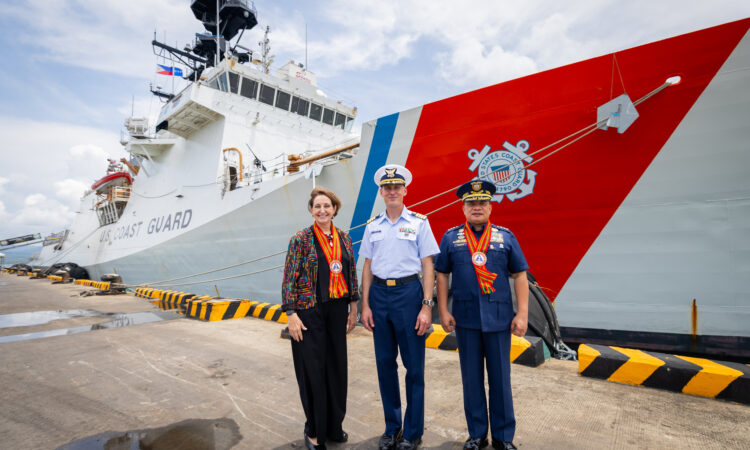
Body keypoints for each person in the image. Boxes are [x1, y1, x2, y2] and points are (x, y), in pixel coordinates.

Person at [434, 180, 529, 450]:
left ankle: (503, 436)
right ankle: (477, 434)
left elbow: (520, 275)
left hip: (499, 320)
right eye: (471, 203)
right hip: (466, 320)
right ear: (463, 208)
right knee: (472, 379)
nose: (477, 207)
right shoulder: (451, 238)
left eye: (482, 203)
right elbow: (442, 275)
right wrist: (443, 311)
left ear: (490, 207)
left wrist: (521, 314)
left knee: (500, 380)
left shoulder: (505, 237)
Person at [359, 164, 440, 450]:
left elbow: (428, 264)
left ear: (404, 191)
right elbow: (367, 266)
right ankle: (392, 427)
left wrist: (427, 306)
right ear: (381, 192)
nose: (392, 191)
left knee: (414, 367)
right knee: (384, 365)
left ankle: (413, 432)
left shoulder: (419, 222)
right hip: (379, 296)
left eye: (397, 187)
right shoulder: (373, 226)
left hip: (409, 294)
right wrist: (365, 305)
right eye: (387, 187)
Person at [281, 186, 360, 450]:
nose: (322, 210)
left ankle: (334, 426)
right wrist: (291, 313)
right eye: (317, 206)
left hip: (337, 311)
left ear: (335, 209)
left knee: (337, 369)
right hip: (308, 312)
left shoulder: (345, 238)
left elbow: (351, 273)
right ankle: (314, 430)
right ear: (311, 210)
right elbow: (289, 278)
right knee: (313, 371)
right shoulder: (301, 239)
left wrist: (354, 306)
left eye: (327, 206)